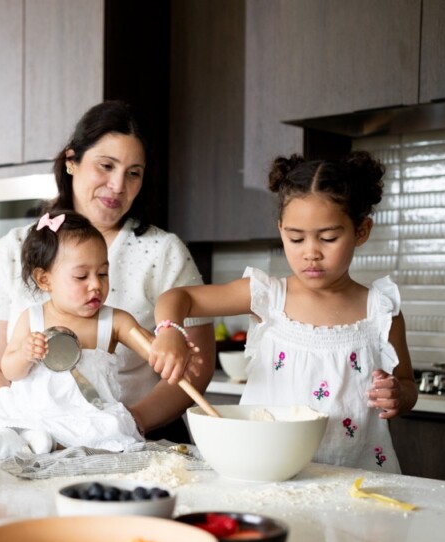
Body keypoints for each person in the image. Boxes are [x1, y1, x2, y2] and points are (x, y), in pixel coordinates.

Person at [0, 101, 215, 442]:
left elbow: (190, 371)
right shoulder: (11, 249)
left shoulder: (164, 252)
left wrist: (125, 423)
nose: (117, 185)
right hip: (31, 439)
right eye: (106, 166)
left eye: (133, 173)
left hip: (132, 439)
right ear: (71, 162)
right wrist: (28, 427)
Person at [149, 151, 417, 473]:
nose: (311, 253)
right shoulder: (267, 296)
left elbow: (406, 384)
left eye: (329, 238)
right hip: (266, 470)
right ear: (281, 231)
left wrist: (398, 395)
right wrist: (168, 330)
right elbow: (179, 298)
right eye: (296, 238)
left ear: (361, 231)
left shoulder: (381, 311)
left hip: (357, 477)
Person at [0, 210, 194, 456]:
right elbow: (9, 370)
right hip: (34, 410)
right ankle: (18, 438)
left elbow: (153, 349)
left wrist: (172, 348)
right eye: (81, 276)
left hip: (87, 413)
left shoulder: (114, 321)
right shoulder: (33, 318)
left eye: (103, 273)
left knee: (110, 429)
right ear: (44, 279)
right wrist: (25, 354)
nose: (96, 284)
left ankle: (42, 444)